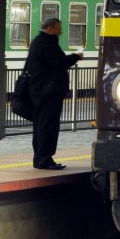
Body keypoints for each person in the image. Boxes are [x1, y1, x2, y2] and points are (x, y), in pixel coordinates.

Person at [25, 17, 82, 170]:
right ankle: (45, 159)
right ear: (50, 28)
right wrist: (76, 56)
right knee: (48, 126)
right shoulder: (46, 44)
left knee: (41, 125)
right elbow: (59, 63)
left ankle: (40, 158)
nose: (60, 31)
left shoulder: (39, 41)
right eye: (58, 28)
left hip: (40, 91)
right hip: (47, 92)